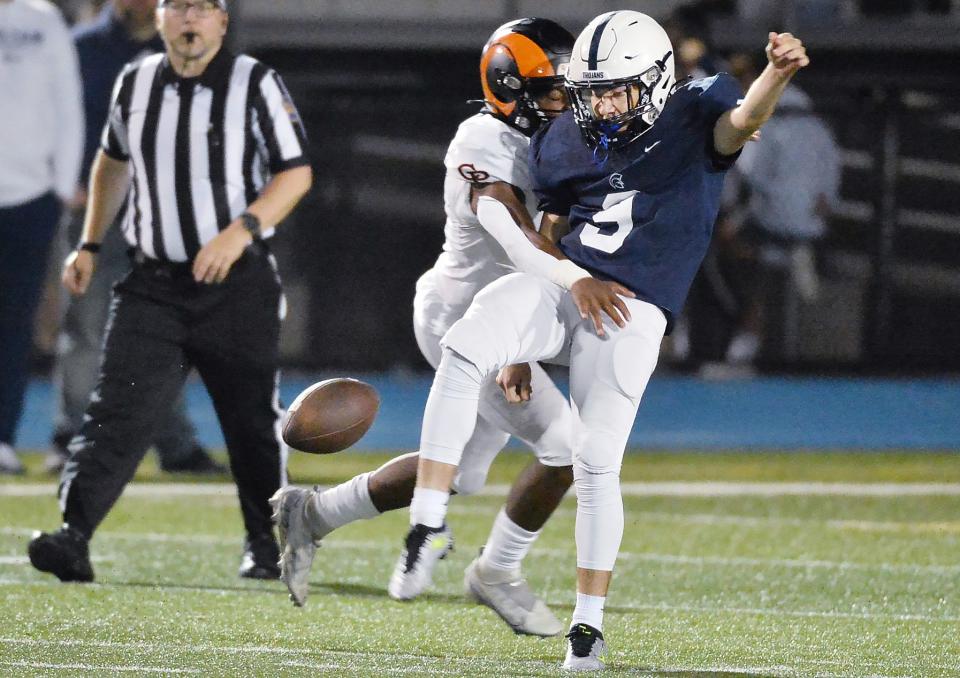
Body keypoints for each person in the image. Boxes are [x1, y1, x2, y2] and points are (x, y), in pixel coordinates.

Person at [389, 11, 808, 670]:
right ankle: (429, 520)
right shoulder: (563, 138)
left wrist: (775, 75)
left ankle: (586, 627)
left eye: (618, 90)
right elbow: (553, 222)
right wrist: (523, 344)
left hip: (634, 307)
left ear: (658, 81)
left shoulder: (697, 106)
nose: (602, 105)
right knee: (470, 341)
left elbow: (740, 127)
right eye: (592, 91)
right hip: (572, 279)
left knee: (594, 457)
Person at [271, 18, 577, 638]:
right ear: (507, 89)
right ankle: (498, 570)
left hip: (505, 315)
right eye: (547, 90)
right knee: (567, 449)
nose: (561, 101)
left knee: (462, 471)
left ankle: (313, 513)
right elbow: (524, 248)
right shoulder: (483, 142)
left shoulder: (558, 132)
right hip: (466, 318)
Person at [27, 0, 312, 583]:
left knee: (249, 420)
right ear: (160, 18)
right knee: (115, 413)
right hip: (153, 284)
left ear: (221, 22)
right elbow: (112, 160)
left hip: (237, 284)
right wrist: (90, 244)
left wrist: (241, 231)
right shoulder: (136, 82)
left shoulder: (254, 82)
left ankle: (266, 544)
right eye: (179, 6)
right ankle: (73, 536)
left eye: (204, 8)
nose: (191, 19)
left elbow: (295, 172)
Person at [44, 0, 224, 476]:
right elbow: (61, 117)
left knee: (167, 330)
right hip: (97, 209)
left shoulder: (192, 50)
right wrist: (69, 179)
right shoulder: (81, 47)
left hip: (167, 211)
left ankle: (175, 443)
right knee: (85, 324)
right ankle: (72, 439)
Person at [0, 0, 84, 475]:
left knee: (14, 323)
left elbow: (67, 103)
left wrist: (60, 182)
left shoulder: (44, 19)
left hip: (31, 197)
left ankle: (3, 437)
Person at [722, 53, 840, 366]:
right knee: (781, 269)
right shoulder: (819, 127)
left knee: (731, 255)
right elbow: (830, 184)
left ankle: (740, 342)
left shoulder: (764, 122)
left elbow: (750, 175)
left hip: (769, 223)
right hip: (812, 226)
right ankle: (796, 264)